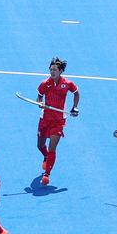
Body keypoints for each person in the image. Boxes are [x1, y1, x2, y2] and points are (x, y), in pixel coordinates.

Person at [35, 57, 79, 185]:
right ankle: (46, 156)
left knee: (52, 148)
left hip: (58, 120)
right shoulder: (44, 84)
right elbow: (39, 97)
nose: (52, 72)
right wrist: (40, 103)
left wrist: (75, 107)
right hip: (45, 118)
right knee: (40, 145)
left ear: (60, 71)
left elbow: (76, 93)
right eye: (50, 69)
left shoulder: (68, 84)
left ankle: (47, 175)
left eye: (54, 70)